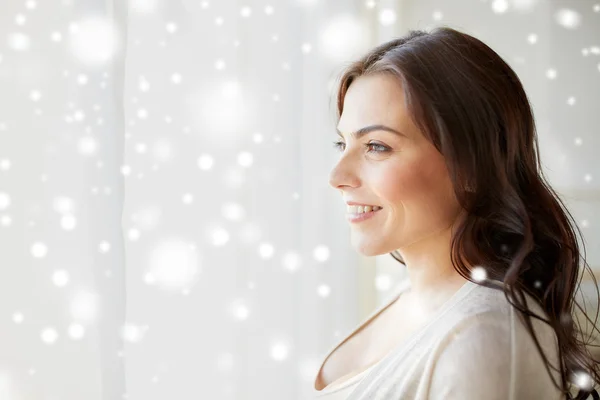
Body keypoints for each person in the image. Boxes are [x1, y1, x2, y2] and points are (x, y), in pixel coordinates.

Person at [313, 26, 600, 399]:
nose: (338, 177)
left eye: (377, 146)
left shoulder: (482, 338)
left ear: (469, 166)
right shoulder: (421, 299)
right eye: (343, 143)